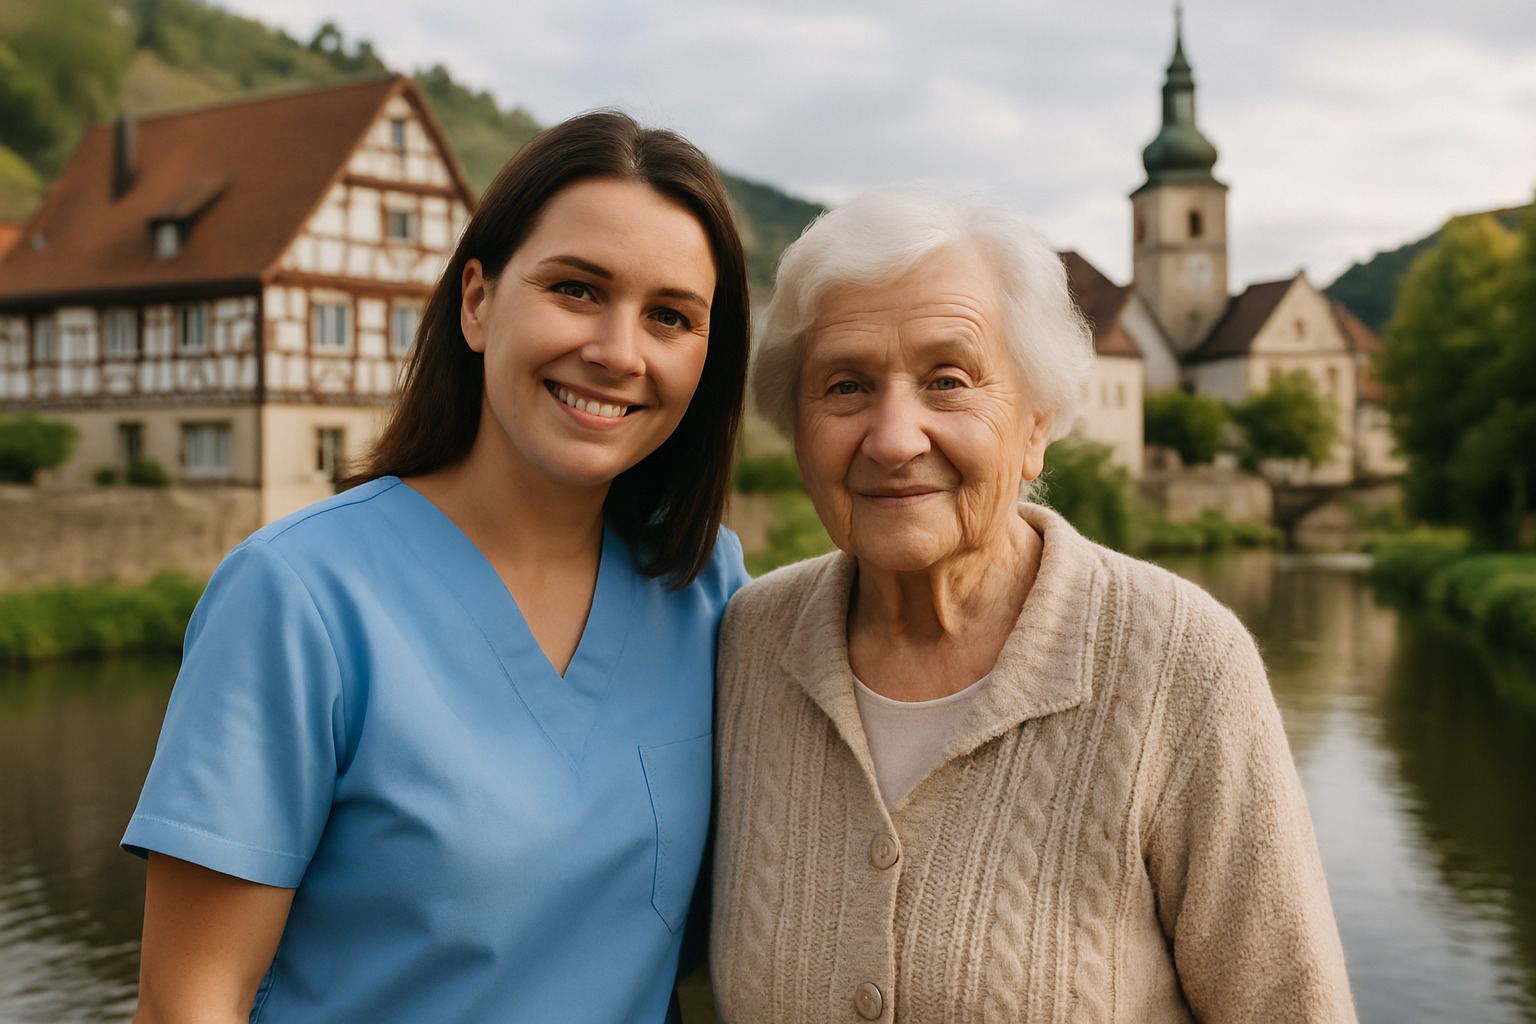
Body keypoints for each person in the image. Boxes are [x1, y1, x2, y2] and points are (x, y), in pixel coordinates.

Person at [123, 110, 751, 1024]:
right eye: (576, 290)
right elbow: (191, 1004)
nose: (619, 352)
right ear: (478, 302)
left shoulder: (706, 588)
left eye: (670, 316)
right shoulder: (299, 598)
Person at [709, 189, 1356, 1023]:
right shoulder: (746, 647)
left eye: (948, 380)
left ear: (1037, 424)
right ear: (796, 427)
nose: (895, 436)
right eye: (845, 386)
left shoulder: (1183, 665)